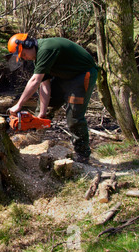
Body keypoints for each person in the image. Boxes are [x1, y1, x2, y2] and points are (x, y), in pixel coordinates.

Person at [7, 34, 99, 163]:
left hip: (82, 75)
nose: (24, 58)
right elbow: (45, 85)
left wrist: (19, 104)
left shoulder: (46, 49)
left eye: (23, 55)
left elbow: (35, 80)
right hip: (65, 76)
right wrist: (42, 114)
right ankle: (36, 138)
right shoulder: (38, 58)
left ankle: (82, 154)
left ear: (28, 45)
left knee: (74, 116)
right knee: (46, 104)